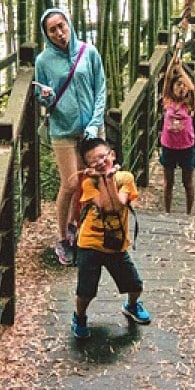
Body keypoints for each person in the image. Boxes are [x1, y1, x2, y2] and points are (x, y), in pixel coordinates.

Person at [34, 7, 106, 265]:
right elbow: (41, 92)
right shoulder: (43, 61)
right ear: (46, 34)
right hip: (63, 129)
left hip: (90, 128)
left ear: (69, 24)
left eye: (61, 26)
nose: (59, 33)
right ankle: (62, 237)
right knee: (71, 183)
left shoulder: (89, 52)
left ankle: (78, 226)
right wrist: (46, 97)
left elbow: (101, 89)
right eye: (52, 30)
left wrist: (95, 124)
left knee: (89, 181)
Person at [64, 136, 150, 338]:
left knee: (135, 285)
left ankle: (131, 305)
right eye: (94, 161)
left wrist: (110, 178)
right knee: (86, 290)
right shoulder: (88, 184)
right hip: (90, 243)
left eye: (103, 157)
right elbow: (105, 206)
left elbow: (119, 204)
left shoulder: (126, 178)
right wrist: (103, 178)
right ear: (88, 166)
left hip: (116, 243)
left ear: (112, 155)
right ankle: (80, 316)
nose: (101, 162)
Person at [158, 61, 195, 213]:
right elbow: (167, 79)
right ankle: (167, 212)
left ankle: (189, 213)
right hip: (168, 146)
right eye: (178, 84)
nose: (181, 87)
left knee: (187, 182)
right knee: (168, 182)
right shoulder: (167, 101)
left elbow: (192, 88)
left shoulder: (189, 104)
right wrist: (172, 65)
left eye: (183, 85)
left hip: (186, 147)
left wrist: (180, 70)